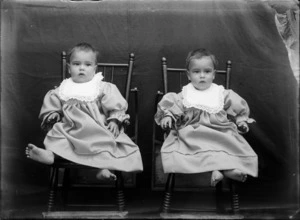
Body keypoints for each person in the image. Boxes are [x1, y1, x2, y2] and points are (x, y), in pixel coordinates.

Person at [26, 42, 143, 180]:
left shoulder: (102, 87)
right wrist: (53, 114)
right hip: (69, 129)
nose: (82, 68)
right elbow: (53, 105)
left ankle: (103, 169)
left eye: (87, 65)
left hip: (96, 128)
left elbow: (115, 105)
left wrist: (115, 120)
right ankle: (51, 154)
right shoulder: (63, 89)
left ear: (94, 68)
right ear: (69, 68)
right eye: (76, 64)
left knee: (107, 142)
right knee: (56, 134)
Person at [155, 48, 258, 187]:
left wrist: (241, 121)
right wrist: (168, 116)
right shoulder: (185, 94)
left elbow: (238, 107)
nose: (202, 76)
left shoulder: (221, 93)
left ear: (214, 74)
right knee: (195, 142)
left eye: (207, 71)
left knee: (227, 141)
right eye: (196, 72)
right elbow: (175, 107)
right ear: (189, 75)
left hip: (220, 130)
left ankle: (223, 170)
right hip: (194, 130)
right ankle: (218, 170)